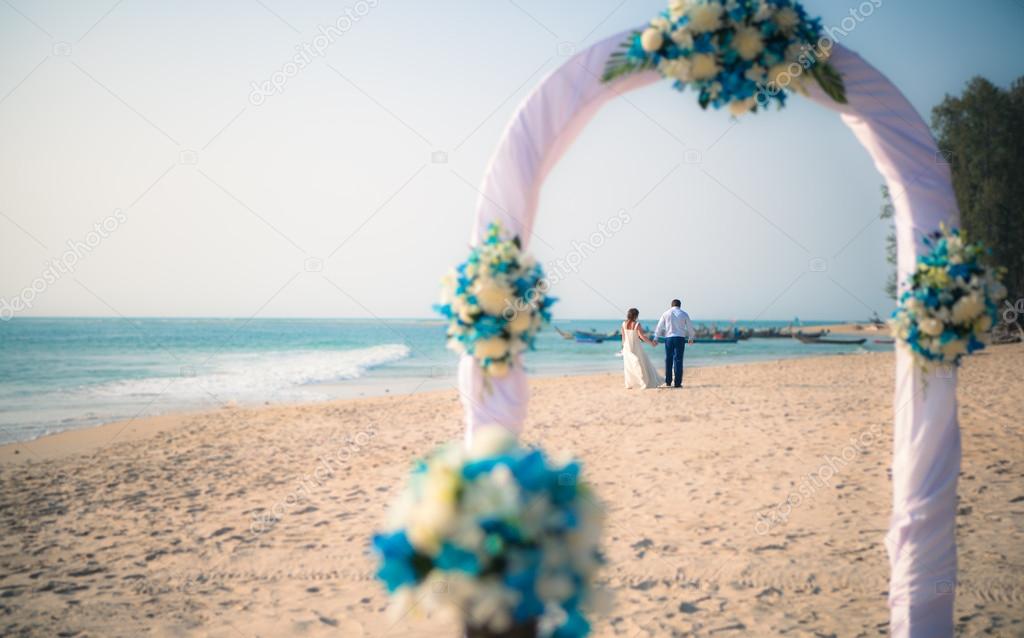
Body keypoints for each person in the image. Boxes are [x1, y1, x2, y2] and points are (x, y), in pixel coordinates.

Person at [654, 299, 695, 388]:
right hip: (680, 338)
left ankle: (668, 381)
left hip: (668, 338)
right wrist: (691, 337)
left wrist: (656, 338)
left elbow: (659, 327)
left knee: (668, 359)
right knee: (678, 360)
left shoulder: (665, 313)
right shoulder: (684, 314)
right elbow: (689, 327)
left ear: (671, 305)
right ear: (680, 305)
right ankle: (677, 383)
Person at [621, 308, 660, 389]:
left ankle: (631, 384)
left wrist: (623, 347)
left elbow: (623, 338)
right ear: (635, 315)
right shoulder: (637, 324)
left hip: (628, 347)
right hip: (634, 347)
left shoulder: (624, 323)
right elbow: (642, 336)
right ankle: (642, 383)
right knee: (637, 363)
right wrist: (651, 343)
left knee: (631, 365)